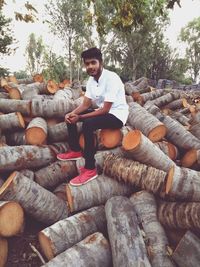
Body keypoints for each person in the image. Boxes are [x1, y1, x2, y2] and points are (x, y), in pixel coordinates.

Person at [57, 47, 129, 186]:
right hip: (104, 111)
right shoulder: (91, 81)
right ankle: (75, 150)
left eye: (93, 62)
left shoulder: (111, 78)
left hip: (117, 115)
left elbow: (106, 110)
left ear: (101, 62)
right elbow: (85, 104)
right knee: (72, 116)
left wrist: (81, 118)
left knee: (88, 124)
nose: (90, 66)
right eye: (87, 64)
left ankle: (90, 169)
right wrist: (73, 114)